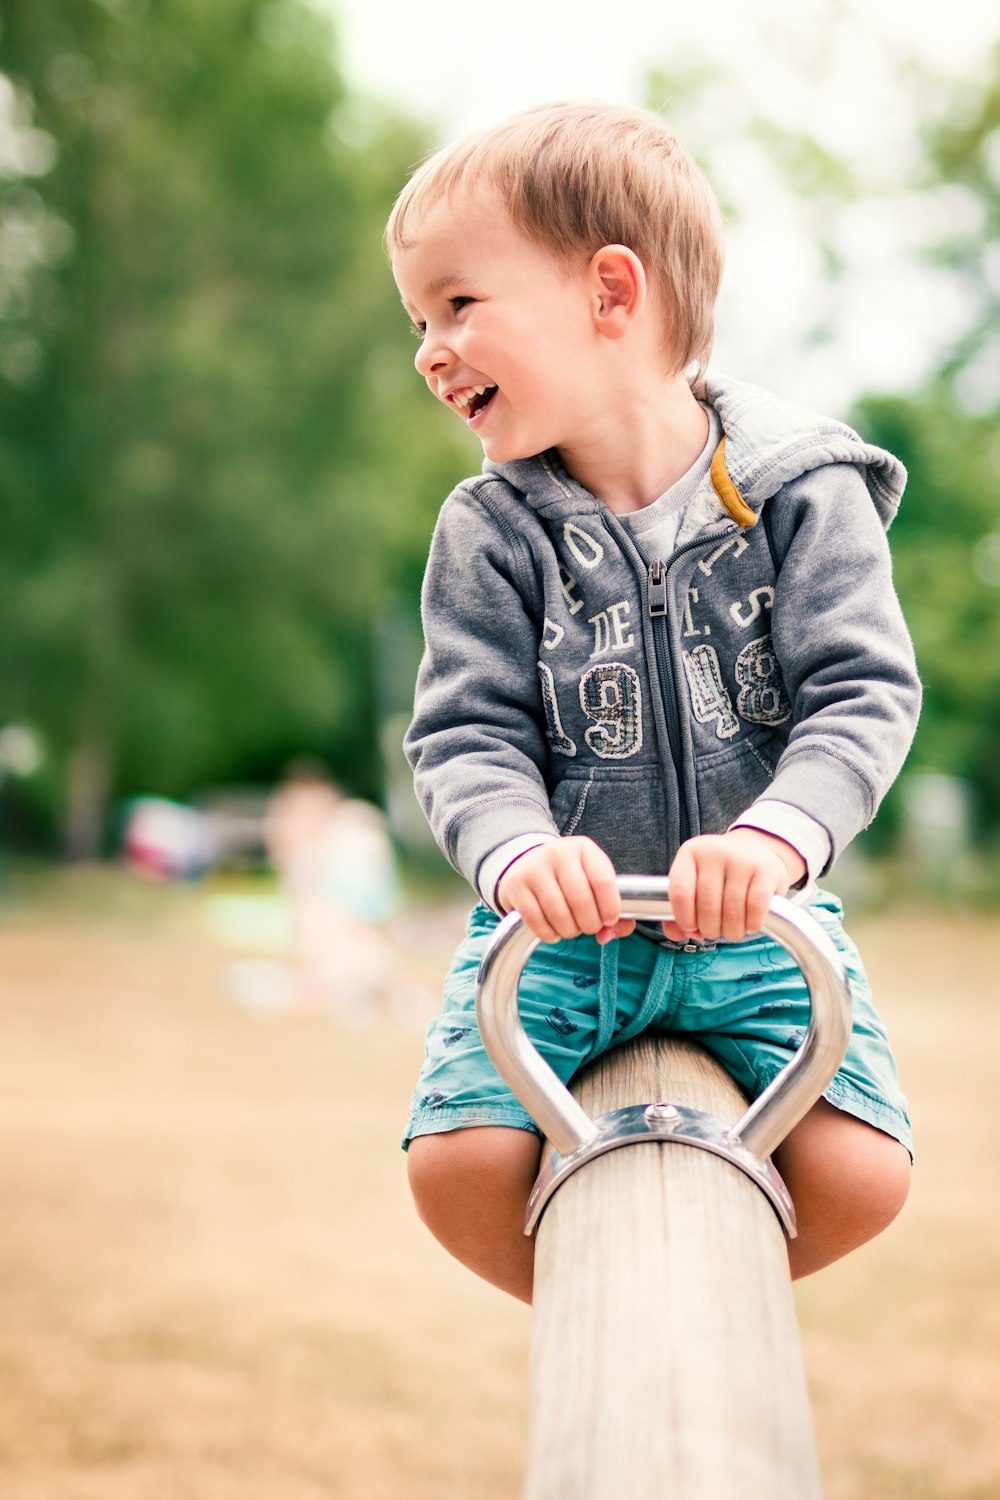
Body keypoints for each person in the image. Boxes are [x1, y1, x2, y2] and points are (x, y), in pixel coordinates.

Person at [386, 101, 920, 1304]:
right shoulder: (491, 530)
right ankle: (614, 1311)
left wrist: (776, 843)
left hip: (752, 920)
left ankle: (694, 1310)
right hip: (561, 927)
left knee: (864, 1174)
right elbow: (466, 731)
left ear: (609, 294)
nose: (427, 347)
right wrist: (519, 853)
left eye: (458, 305)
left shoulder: (797, 495)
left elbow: (862, 693)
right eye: (416, 319)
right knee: (456, 1168)